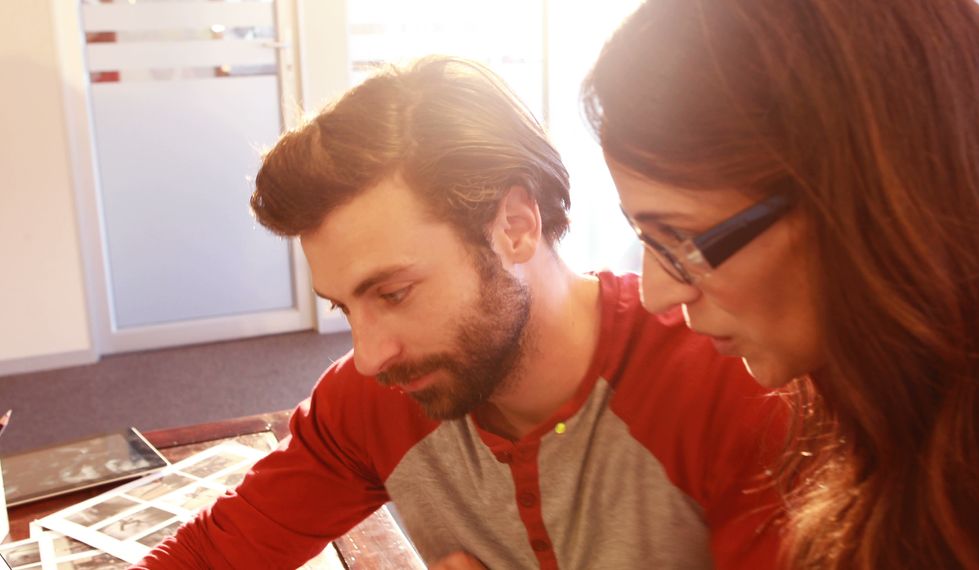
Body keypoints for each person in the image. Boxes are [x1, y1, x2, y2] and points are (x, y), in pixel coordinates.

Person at [133, 57, 787, 569]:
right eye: (344, 306)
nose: (369, 355)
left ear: (515, 226)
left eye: (393, 293)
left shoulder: (732, 381)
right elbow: (213, 556)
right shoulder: (375, 399)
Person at [582, 0, 979, 568]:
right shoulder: (910, 357)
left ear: (858, 194)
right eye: (644, 236)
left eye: (681, 239)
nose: (657, 294)